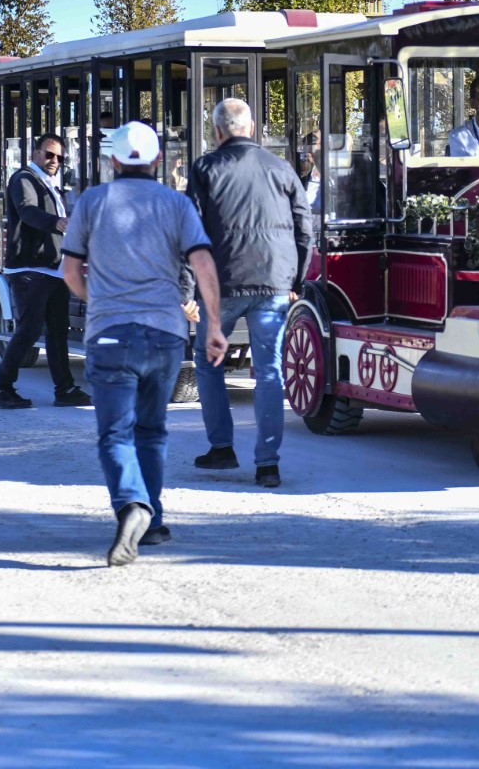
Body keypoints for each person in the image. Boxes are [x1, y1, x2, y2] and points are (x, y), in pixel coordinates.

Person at [60, 121, 227, 567]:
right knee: (151, 431)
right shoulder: (177, 203)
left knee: (115, 433)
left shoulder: (92, 201)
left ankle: (132, 502)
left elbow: (71, 272)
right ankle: (152, 525)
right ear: (157, 160)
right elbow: (203, 262)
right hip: (167, 334)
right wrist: (213, 324)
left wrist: (100, 302)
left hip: (111, 334)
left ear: (113, 160)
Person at [187, 98, 314, 489]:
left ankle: (222, 447)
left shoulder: (206, 168)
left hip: (221, 284)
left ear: (218, 131)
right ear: (253, 128)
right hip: (274, 282)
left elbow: (191, 232)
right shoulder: (282, 168)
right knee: (271, 372)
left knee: (209, 365)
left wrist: (190, 289)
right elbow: (304, 228)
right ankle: (268, 465)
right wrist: (295, 283)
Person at [0, 133, 87, 410]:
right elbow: (27, 212)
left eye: (59, 156)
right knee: (30, 329)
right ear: (35, 154)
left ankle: (65, 388)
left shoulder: (51, 185)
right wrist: (58, 223)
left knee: (58, 330)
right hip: (28, 267)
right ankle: (3, 388)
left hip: (53, 268)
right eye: (49, 154)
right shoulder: (23, 179)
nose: (54, 160)